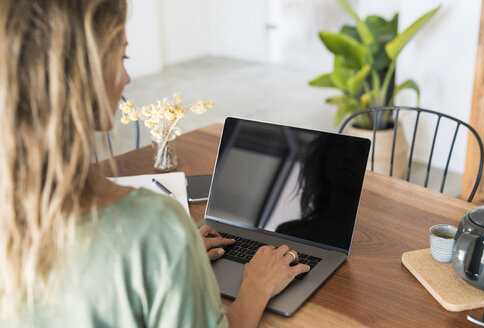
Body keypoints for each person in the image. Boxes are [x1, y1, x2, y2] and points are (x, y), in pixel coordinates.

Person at [0, 0, 310, 327]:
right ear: (82, 73)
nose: (126, 77)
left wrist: (177, 256)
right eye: (121, 57)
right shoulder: (153, 227)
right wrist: (255, 287)